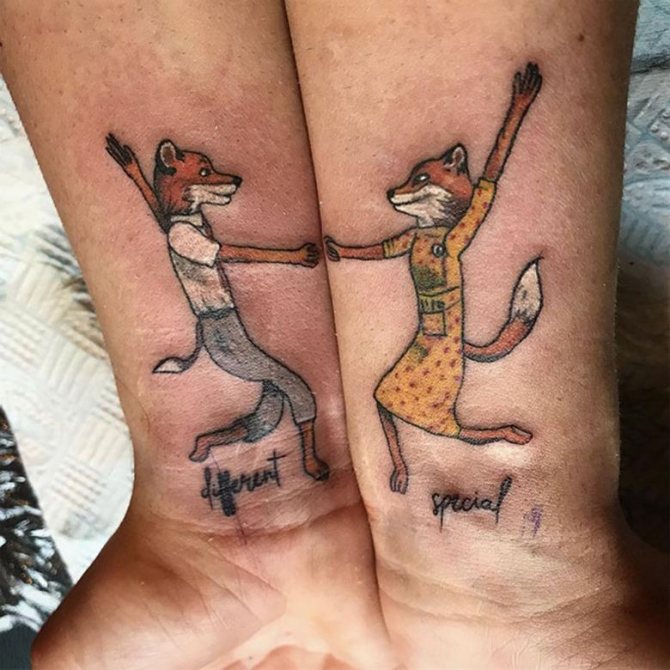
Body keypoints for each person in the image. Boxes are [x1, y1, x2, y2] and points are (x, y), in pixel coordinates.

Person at [0, 1, 666, 668]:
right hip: (247, 334)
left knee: (294, 399)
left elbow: (485, 183)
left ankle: (253, 447)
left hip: (422, 345)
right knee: (303, 393)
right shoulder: (193, 232)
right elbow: (330, 246)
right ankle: (306, 454)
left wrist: (246, 521)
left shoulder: (448, 235)